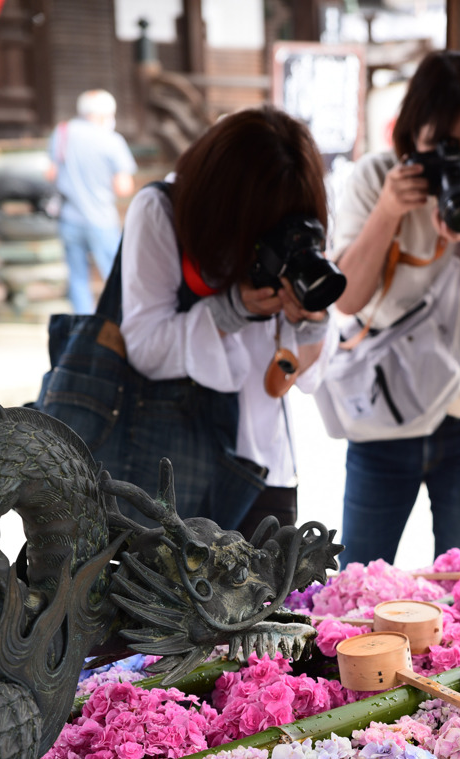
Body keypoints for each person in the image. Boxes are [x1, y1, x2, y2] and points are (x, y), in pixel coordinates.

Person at [38, 106, 337, 536]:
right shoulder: (164, 210)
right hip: (172, 472)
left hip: (267, 467)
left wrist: (312, 319)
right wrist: (231, 310)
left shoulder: (298, 212)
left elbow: (306, 376)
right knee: (163, 599)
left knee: (268, 600)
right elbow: (145, 344)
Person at [328, 50, 460, 567]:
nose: (456, 162)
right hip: (385, 416)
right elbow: (346, 298)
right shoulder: (374, 177)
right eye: (439, 146)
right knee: (356, 579)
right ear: (409, 137)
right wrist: (388, 212)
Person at [46, 89, 137, 314]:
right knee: (115, 277)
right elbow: (123, 186)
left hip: (69, 217)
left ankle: (83, 329)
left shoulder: (63, 133)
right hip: (102, 218)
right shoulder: (112, 140)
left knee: (77, 278)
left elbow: (50, 173)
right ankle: (119, 323)